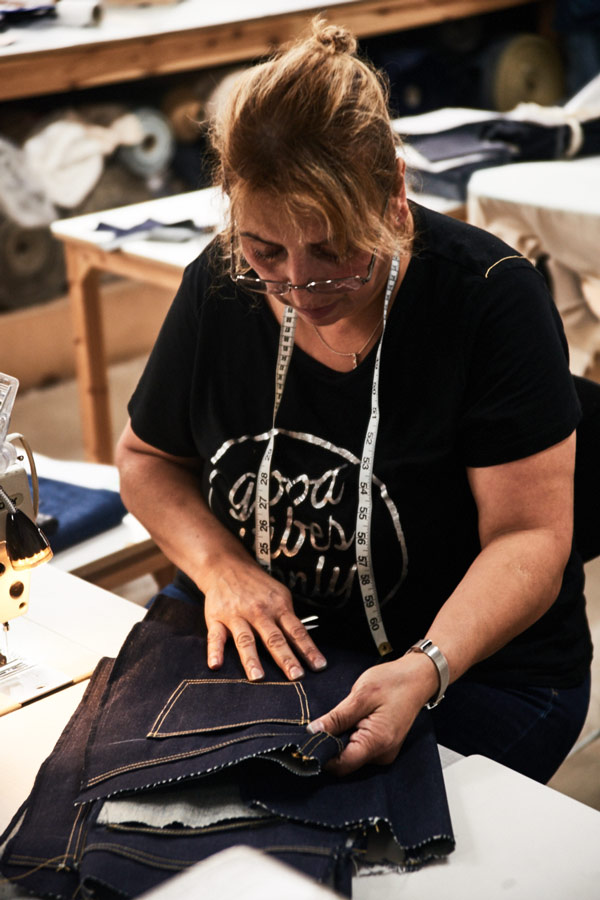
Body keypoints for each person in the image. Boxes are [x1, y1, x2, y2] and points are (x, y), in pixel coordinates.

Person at [116, 17, 593, 785]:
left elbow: (532, 539)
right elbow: (145, 460)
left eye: (335, 250)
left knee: (347, 842)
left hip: (476, 667)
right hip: (282, 640)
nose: (300, 287)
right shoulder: (222, 279)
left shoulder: (489, 300)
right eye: (266, 249)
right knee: (134, 799)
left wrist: (425, 666)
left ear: (395, 198)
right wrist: (221, 566)